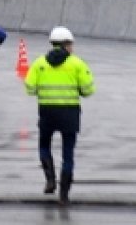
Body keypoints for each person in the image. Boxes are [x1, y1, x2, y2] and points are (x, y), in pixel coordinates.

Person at [24, 26, 95, 205]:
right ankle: (64, 194)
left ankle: (49, 180)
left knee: (44, 146)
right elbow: (88, 90)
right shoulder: (77, 64)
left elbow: (30, 89)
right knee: (68, 153)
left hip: (47, 112)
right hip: (69, 113)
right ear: (66, 44)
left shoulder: (39, 64)